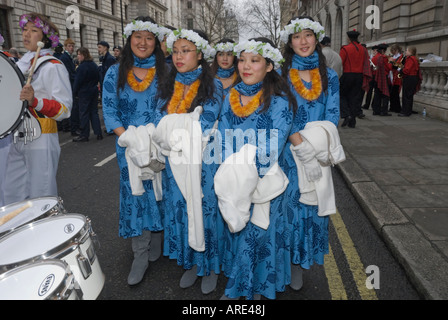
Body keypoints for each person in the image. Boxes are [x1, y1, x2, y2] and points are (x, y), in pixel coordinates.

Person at [217, 38, 296, 300]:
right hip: (235, 176)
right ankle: (240, 284)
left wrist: (247, 176)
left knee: (259, 236)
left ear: (270, 66)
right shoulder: (230, 96)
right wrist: (232, 174)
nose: (246, 66)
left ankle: (258, 289)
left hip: (264, 180)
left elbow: (273, 144)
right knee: (238, 232)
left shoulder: (280, 100)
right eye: (243, 60)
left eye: (255, 61)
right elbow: (223, 137)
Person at [155, 28, 223, 295]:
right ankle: (193, 264)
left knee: (205, 211)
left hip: (202, 161)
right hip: (174, 161)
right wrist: (181, 125)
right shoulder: (167, 83)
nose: (179, 56)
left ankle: (210, 266)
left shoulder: (213, 84)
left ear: (200, 55)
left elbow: (205, 124)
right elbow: (157, 121)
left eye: (186, 51)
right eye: (176, 51)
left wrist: (174, 128)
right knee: (182, 210)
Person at [102, 17, 168, 285]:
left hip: (159, 146)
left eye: (149, 38)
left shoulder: (166, 71)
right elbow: (109, 110)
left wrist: (154, 139)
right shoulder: (114, 72)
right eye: (138, 37)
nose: (143, 43)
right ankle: (139, 253)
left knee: (160, 191)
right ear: (129, 39)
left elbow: (170, 107)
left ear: (157, 42)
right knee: (136, 196)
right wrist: (129, 138)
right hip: (129, 148)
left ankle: (157, 240)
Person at [279, 16, 341, 292]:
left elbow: (333, 116)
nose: (303, 41)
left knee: (310, 209)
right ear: (289, 42)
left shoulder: (330, 77)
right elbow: (279, 115)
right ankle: (284, 262)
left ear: (316, 38)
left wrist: (311, 146)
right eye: (296, 37)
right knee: (286, 210)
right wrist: (298, 144)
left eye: (307, 35)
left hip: (316, 155)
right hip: (286, 154)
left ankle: (298, 264)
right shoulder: (279, 75)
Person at [2, 13, 72, 206]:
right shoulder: (19, 64)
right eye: (25, 29)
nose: (27, 34)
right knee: (11, 195)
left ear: (45, 38)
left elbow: (65, 110)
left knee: (41, 196)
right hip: (14, 137)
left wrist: (35, 101)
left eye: (34, 31)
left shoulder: (53, 67)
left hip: (41, 136)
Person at [339, 29, 371, 128]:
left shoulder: (345, 49)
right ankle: (352, 121)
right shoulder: (363, 49)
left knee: (342, 95)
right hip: (359, 76)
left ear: (348, 38)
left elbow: (341, 63)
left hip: (347, 75)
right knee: (354, 98)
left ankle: (346, 114)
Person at [73, 47, 102, 142]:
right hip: (93, 90)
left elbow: (77, 82)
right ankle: (98, 133)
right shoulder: (94, 65)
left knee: (84, 114)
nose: (78, 57)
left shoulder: (81, 67)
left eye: (79, 54)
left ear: (83, 55)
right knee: (94, 112)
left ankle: (85, 134)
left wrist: (74, 92)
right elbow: (98, 77)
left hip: (84, 92)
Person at [54, 42, 76, 133]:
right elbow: (68, 73)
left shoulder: (67, 57)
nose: (71, 48)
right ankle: (66, 125)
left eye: (72, 46)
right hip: (66, 83)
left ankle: (65, 125)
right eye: (69, 46)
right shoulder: (64, 58)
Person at [399, 46, 422, 117]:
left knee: (406, 95)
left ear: (410, 51)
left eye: (407, 50)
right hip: (413, 78)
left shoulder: (410, 59)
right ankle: (408, 110)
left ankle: (405, 111)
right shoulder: (414, 59)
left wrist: (401, 70)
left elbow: (407, 70)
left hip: (409, 78)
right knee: (409, 95)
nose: (406, 52)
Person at [371, 43, 392, 116]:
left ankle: (376, 110)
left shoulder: (377, 57)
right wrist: (390, 61)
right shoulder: (384, 57)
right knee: (385, 94)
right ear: (383, 50)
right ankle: (384, 111)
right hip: (383, 77)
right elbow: (388, 68)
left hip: (377, 77)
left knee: (377, 94)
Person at [388, 44, 404, 113]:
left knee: (396, 92)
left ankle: (397, 108)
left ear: (397, 50)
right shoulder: (392, 56)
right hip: (391, 75)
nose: (392, 52)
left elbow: (400, 66)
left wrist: (392, 63)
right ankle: (392, 107)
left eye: (393, 51)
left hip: (397, 76)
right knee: (391, 93)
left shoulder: (401, 57)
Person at [362, 45, 378, 110]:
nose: (374, 52)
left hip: (375, 75)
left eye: (375, 50)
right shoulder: (372, 57)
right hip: (372, 75)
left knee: (375, 91)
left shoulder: (375, 58)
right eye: (373, 50)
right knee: (369, 91)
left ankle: (373, 104)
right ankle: (367, 104)